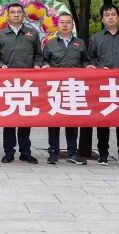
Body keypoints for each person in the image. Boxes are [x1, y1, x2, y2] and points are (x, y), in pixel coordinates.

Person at [85, 4, 119, 166]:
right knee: (104, 119)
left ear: (118, 17)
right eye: (107, 15)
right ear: (102, 19)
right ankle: (103, 153)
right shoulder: (96, 38)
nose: (110, 17)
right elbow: (90, 60)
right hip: (104, 84)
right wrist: (100, 68)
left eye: (113, 14)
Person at [0, 2, 43, 164]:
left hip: (27, 83)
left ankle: (25, 152)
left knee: (25, 118)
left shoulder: (32, 33)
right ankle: (9, 152)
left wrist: (37, 65)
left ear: (23, 15)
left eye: (19, 12)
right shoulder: (0, 34)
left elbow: (39, 55)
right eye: (12, 12)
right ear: (7, 15)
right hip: (8, 84)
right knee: (9, 118)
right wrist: (0, 65)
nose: (16, 14)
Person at [41, 12, 89, 165]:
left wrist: (88, 67)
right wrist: (45, 65)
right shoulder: (50, 44)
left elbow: (85, 61)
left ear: (72, 25)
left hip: (73, 87)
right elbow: (44, 60)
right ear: (57, 25)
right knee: (54, 120)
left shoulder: (80, 43)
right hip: (55, 88)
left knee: (71, 120)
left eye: (68, 22)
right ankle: (53, 152)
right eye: (62, 22)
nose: (65, 25)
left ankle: (72, 152)